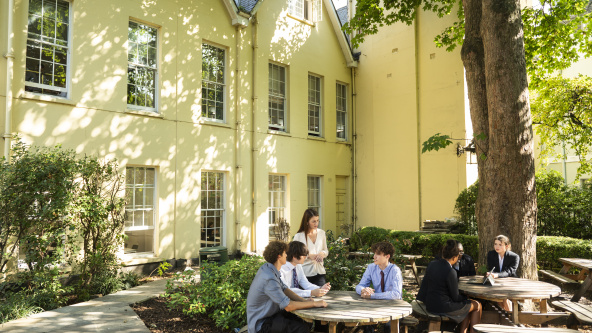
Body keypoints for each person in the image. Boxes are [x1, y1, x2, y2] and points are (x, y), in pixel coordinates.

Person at [246, 240, 327, 333]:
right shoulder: (269, 278)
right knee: (301, 329)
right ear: (279, 256)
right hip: (261, 324)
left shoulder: (269, 268)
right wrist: (315, 303)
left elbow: (285, 289)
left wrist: (304, 301)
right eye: (285, 253)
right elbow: (288, 306)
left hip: (272, 316)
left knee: (306, 323)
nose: (286, 255)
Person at [417, 239, 482, 333]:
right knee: (477, 305)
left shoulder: (432, 264)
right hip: (443, 307)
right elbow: (455, 297)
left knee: (467, 306)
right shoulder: (451, 271)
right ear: (455, 257)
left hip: (430, 305)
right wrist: (465, 297)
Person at [355, 241, 402, 333]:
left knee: (389, 327)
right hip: (376, 307)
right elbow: (360, 285)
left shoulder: (395, 270)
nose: (374, 257)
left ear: (387, 256)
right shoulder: (371, 267)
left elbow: (396, 294)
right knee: (366, 324)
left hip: (393, 307)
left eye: (378, 254)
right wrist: (363, 290)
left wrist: (372, 296)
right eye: (374, 254)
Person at [293, 209, 328, 286]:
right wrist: (308, 256)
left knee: (321, 294)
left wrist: (322, 254)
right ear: (307, 222)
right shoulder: (299, 236)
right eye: (313, 221)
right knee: (306, 296)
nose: (316, 223)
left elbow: (325, 250)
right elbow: (294, 255)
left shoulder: (321, 233)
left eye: (317, 220)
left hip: (320, 271)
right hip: (304, 273)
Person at [486, 234, 519, 311]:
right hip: (496, 283)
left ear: (506, 246)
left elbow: (510, 271)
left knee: (503, 297)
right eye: (495, 244)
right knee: (498, 297)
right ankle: (507, 316)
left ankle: (510, 316)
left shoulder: (514, 257)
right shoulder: (491, 254)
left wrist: (496, 275)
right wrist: (490, 273)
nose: (497, 247)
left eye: (500, 245)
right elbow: (491, 268)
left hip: (511, 282)